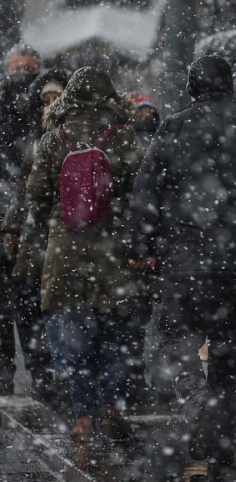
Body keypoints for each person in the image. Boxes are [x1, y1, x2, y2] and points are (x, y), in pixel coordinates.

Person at [128, 55, 236, 470]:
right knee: (232, 351)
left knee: (176, 341)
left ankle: (196, 400)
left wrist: (142, 247)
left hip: (183, 260)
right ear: (231, 86)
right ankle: (221, 436)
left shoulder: (172, 127)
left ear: (191, 88)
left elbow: (146, 191)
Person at [24, 67, 146, 444]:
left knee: (75, 338)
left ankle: (82, 417)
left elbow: (37, 193)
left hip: (66, 250)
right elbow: (141, 189)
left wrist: (54, 223)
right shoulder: (123, 135)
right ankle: (111, 407)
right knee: (115, 334)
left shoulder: (53, 137)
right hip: (114, 248)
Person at [1, 71, 64, 409]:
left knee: (38, 308)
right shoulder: (37, 140)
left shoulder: (45, 141)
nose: (50, 105)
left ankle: (50, 374)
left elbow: (28, 190)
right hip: (43, 238)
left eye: (55, 98)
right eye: (46, 99)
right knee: (30, 308)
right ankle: (45, 374)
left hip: (49, 238)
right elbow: (27, 190)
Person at [0, 44, 44, 395]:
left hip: (29, 220)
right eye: (18, 68)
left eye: (28, 69)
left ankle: (38, 368)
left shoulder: (42, 107)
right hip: (17, 214)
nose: (22, 75)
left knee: (30, 302)